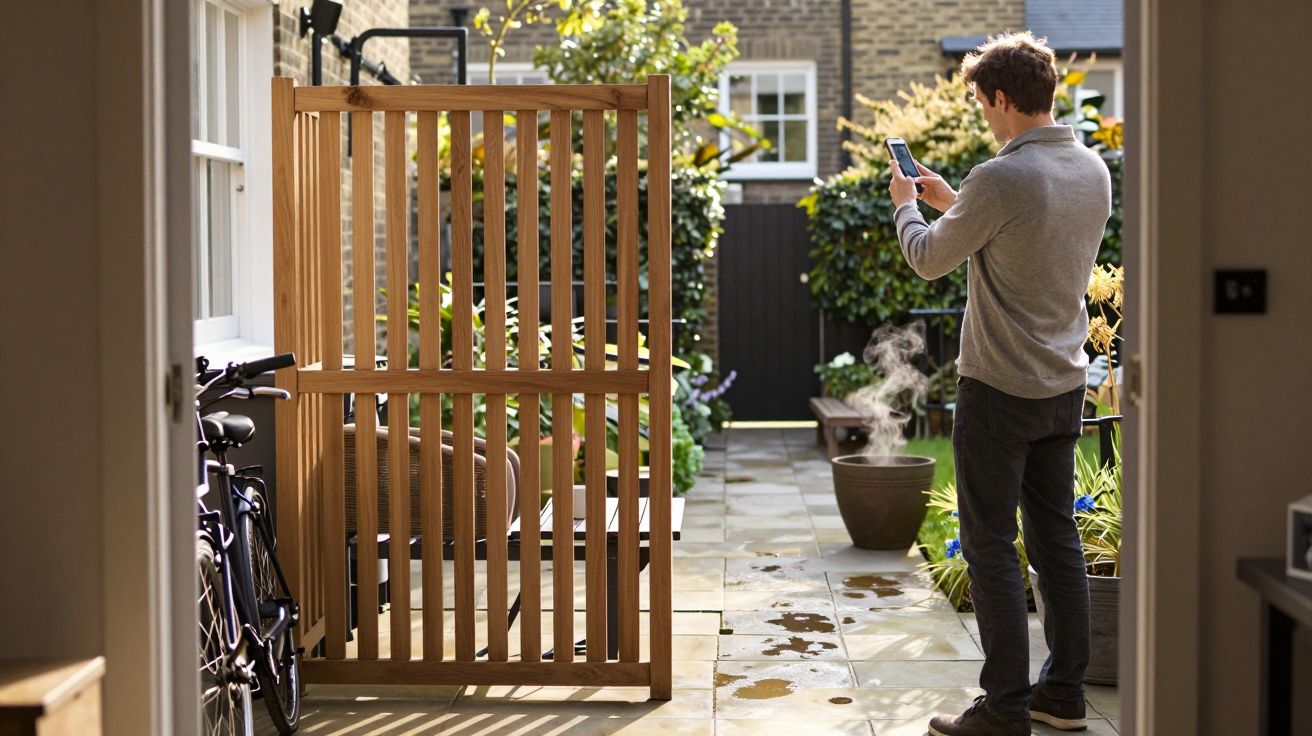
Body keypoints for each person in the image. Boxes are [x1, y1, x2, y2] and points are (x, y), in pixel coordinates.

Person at [886, 32, 1112, 736]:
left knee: (988, 545)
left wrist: (907, 203)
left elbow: (927, 258)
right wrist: (958, 199)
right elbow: (1023, 239)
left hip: (998, 389)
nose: (983, 114)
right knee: (1056, 538)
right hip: (1062, 382)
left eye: (982, 102)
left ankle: (1005, 709)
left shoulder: (1003, 177)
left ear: (1004, 99)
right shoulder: (1091, 169)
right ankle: (1064, 695)